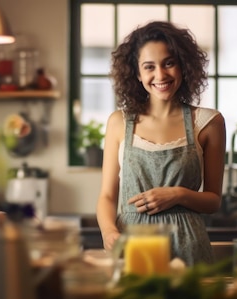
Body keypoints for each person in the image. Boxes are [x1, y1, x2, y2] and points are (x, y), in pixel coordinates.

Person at [96, 21, 227, 266]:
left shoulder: (209, 122)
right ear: (137, 73)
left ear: (183, 65)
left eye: (169, 63)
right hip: (134, 246)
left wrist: (178, 194)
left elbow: (213, 201)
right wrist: (108, 232)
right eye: (149, 67)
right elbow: (106, 196)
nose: (160, 75)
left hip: (189, 249)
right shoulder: (118, 122)